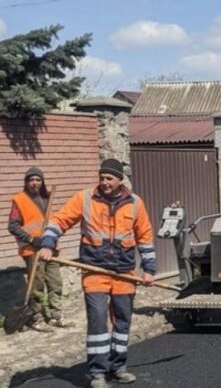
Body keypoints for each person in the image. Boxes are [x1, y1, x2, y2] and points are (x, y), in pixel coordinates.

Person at [38, 159, 155, 388]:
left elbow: (145, 237)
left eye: (109, 178)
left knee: (122, 322)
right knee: (98, 320)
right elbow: (59, 221)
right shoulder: (85, 198)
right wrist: (47, 244)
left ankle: (118, 367)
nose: (104, 182)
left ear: (120, 180)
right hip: (94, 270)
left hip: (124, 273)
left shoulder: (135, 203)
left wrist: (149, 270)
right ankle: (98, 373)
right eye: (102, 178)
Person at [7, 167, 70, 331]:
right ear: (26, 182)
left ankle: (56, 316)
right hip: (32, 250)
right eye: (31, 180)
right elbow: (12, 226)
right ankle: (36, 318)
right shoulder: (19, 200)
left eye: (38, 180)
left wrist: (53, 238)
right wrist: (30, 239)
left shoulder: (47, 198)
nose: (34, 183)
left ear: (42, 182)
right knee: (36, 287)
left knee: (55, 282)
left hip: (50, 249)